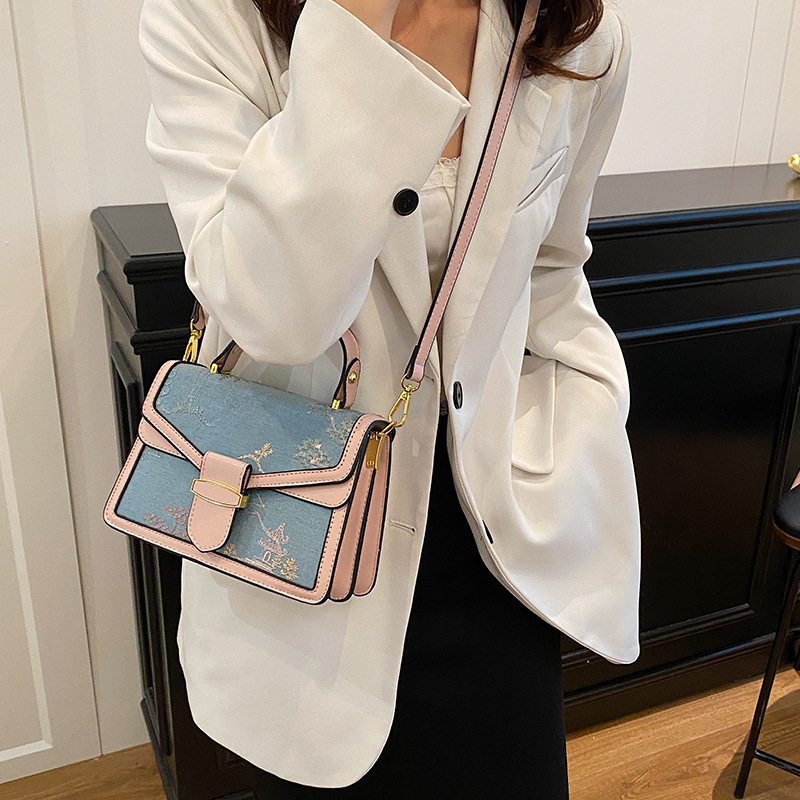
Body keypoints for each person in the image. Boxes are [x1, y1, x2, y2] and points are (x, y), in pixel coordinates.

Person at [137, 0, 639, 796]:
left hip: (497, 534)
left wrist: (593, 410)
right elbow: (277, 315)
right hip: (299, 537)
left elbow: (552, 264)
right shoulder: (213, 20)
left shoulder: (570, 31)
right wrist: (355, 24)